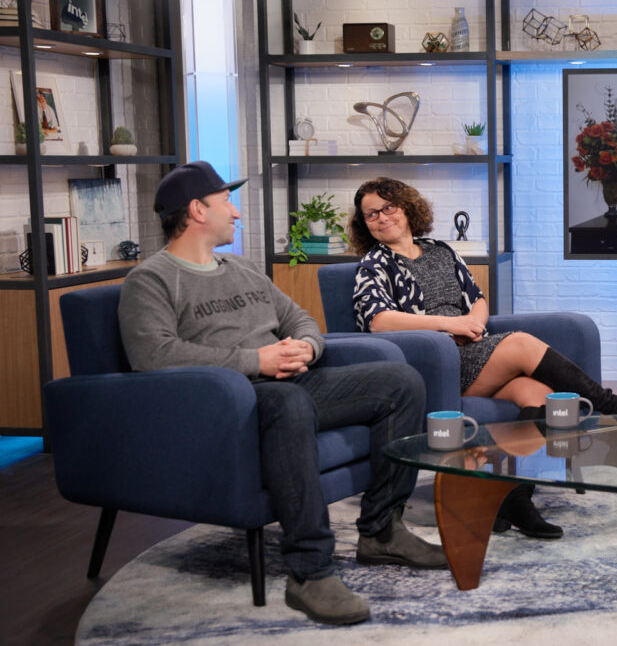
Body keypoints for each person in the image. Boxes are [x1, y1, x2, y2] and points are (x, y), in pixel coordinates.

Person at [118, 161, 446, 626]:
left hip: (291, 378)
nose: (235, 213)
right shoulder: (150, 280)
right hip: (235, 398)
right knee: (288, 402)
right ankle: (309, 571)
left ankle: (383, 531)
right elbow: (154, 356)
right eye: (225, 202)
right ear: (196, 210)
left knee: (402, 380)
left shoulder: (241, 268)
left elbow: (301, 320)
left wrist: (304, 349)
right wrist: (259, 362)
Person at [348, 176, 617, 538]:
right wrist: (446, 324)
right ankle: (612, 405)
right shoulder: (373, 265)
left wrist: (473, 325)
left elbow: (477, 298)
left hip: (471, 350)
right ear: (365, 224)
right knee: (520, 344)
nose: (381, 217)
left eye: (388, 207)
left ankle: (515, 497)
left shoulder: (440, 250)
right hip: (432, 363)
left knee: (536, 395)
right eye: (371, 214)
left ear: (406, 208)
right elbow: (379, 320)